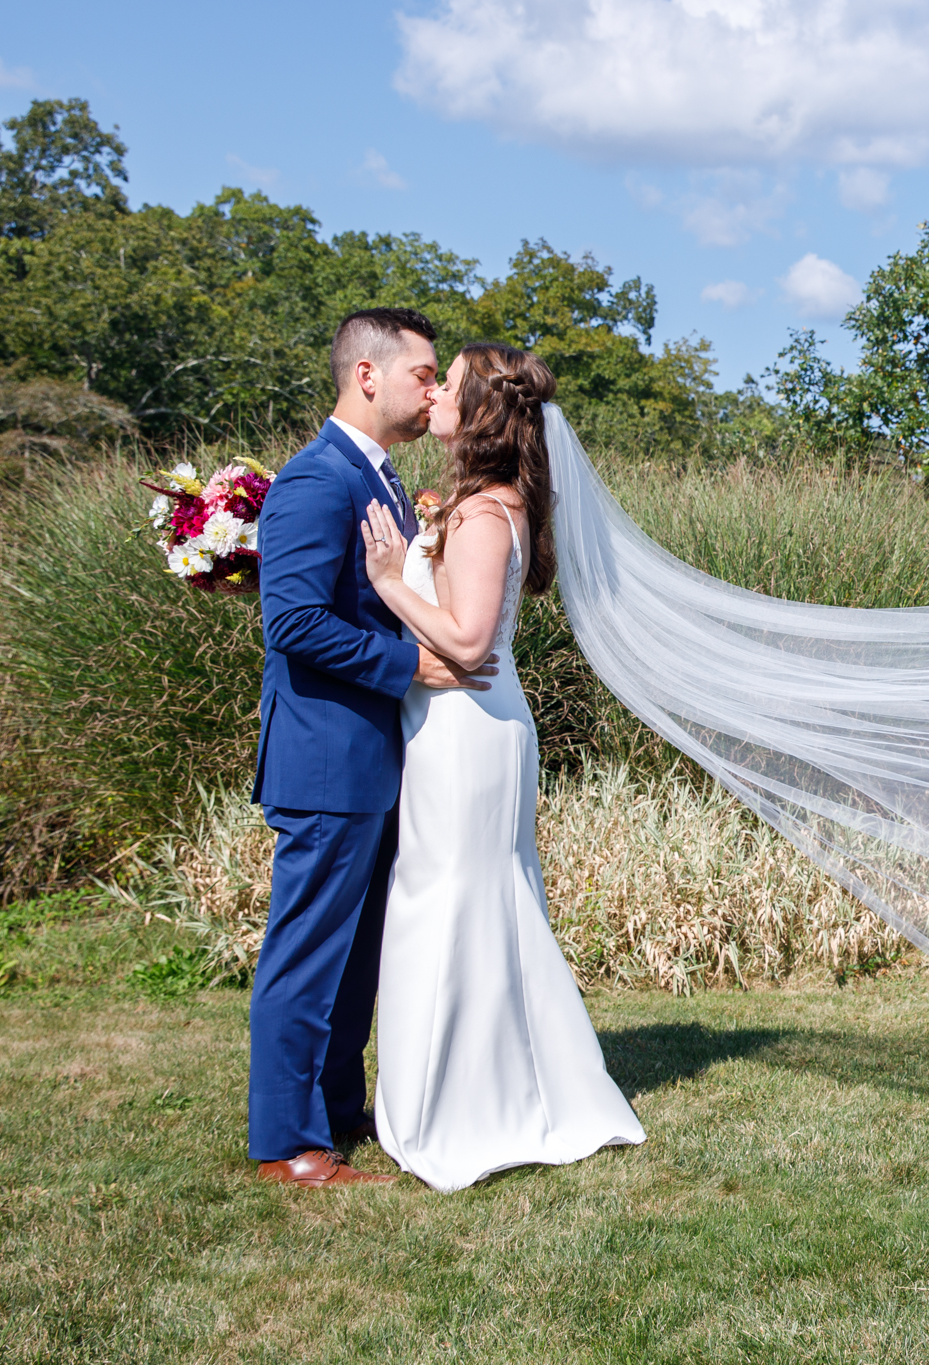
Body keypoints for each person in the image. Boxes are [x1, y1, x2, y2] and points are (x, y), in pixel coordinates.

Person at [358, 342, 646, 1192]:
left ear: (479, 410)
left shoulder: (485, 515)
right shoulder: (477, 503)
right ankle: (485, 1089)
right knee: (470, 902)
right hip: (458, 725)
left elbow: (470, 641)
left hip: (467, 730)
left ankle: (463, 1108)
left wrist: (387, 579)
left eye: (447, 383)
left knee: (451, 903)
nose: (435, 392)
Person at [246, 309, 492, 1189]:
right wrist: (410, 665)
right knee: (309, 951)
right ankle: (285, 1141)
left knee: (356, 956)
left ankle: (340, 1114)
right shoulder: (317, 481)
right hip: (325, 756)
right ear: (367, 376)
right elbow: (297, 623)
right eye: (424, 373)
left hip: (375, 758)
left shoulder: (382, 481)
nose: (434, 388)